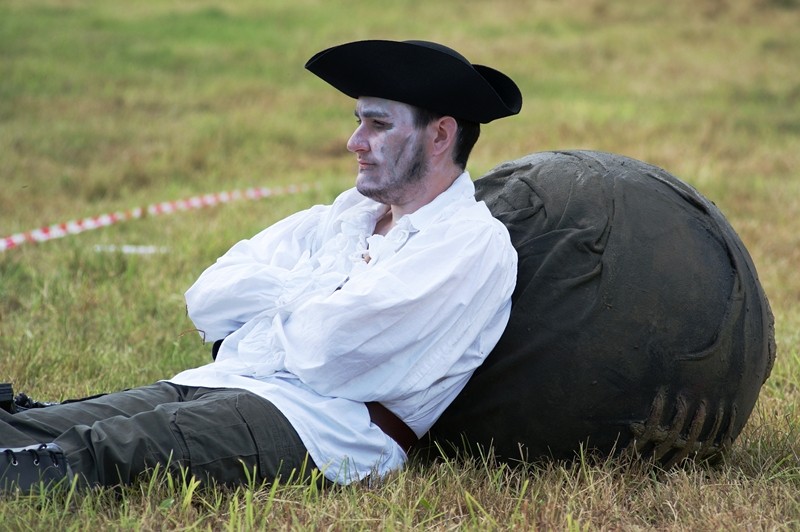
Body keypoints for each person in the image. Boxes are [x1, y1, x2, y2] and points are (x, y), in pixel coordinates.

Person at [0, 39, 522, 491]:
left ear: (440, 136)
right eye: (358, 121)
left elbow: (329, 351)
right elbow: (208, 298)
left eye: (378, 124)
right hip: (224, 379)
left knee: (96, 451)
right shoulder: (343, 216)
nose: (354, 142)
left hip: (319, 427)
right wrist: (318, 298)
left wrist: (282, 304)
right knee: (38, 425)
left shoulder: (470, 243)